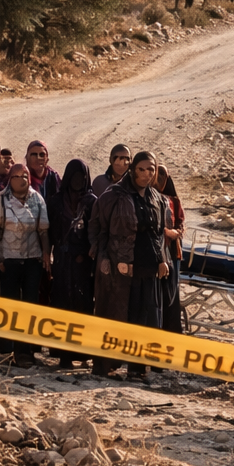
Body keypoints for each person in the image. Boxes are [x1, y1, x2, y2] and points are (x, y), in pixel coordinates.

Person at [90, 151, 172, 379]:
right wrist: (105, 258)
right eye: (142, 169)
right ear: (133, 170)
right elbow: (98, 229)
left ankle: (137, 368)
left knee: (144, 318)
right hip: (121, 268)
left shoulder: (157, 197)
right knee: (116, 316)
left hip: (148, 267)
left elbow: (159, 234)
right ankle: (106, 365)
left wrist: (162, 259)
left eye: (151, 169)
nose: (147, 174)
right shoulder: (113, 195)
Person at [0, 163, 51, 366]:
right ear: (9, 179)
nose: (21, 180)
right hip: (9, 260)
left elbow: (43, 229)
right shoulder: (0, 199)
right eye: (16, 176)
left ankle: (26, 351)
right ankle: (10, 349)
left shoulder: (37, 199)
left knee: (30, 304)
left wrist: (46, 255)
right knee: (11, 304)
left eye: (24, 176)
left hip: (32, 260)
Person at [50, 159, 97, 368]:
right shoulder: (56, 201)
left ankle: (84, 353)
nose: (78, 180)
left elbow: (95, 232)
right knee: (62, 304)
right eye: (74, 175)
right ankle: (64, 354)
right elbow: (49, 231)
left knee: (84, 304)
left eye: (82, 176)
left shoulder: (92, 202)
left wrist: (86, 253)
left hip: (84, 264)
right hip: (61, 262)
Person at [156, 164, 186, 334]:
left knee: (171, 295)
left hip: (172, 253)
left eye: (162, 177)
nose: (159, 180)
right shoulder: (147, 198)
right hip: (154, 253)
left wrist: (175, 232)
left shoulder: (174, 201)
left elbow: (181, 223)